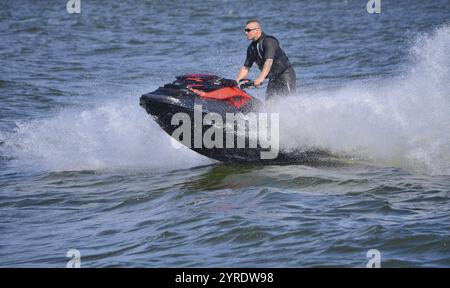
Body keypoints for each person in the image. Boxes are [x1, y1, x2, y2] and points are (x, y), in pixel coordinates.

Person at [235, 19, 296, 100]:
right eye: (245, 31)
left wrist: (260, 79)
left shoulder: (269, 41)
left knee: (290, 99)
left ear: (257, 30)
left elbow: (269, 61)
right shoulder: (251, 48)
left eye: (248, 30)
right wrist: (236, 83)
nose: (245, 33)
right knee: (269, 104)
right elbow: (246, 67)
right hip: (273, 78)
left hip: (285, 75)